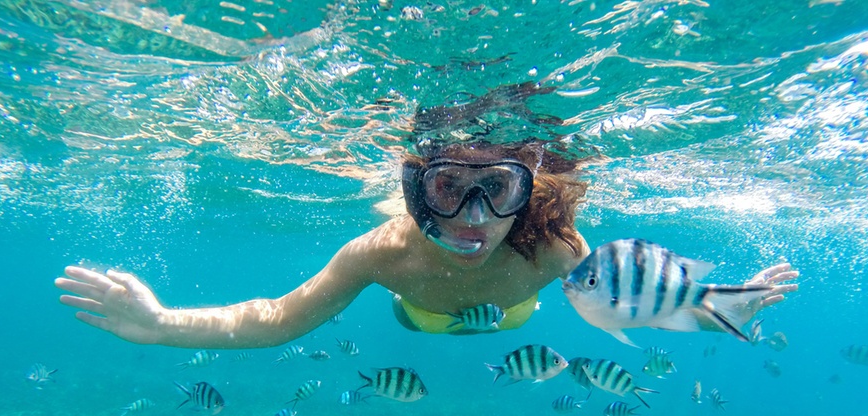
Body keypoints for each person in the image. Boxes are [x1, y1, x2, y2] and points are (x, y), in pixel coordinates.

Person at [54, 87, 798, 349]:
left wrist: (725, 309)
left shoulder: (558, 249)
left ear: (528, 192)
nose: (475, 217)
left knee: (514, 321)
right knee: (422, 322)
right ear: (414, 192)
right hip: (421, 309)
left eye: (500, 189)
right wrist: (160, 324)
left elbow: (642, 302)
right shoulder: (377, 256)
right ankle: (426, 319)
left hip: (517, 314)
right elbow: (277, 318)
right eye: (447, 188)